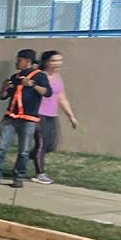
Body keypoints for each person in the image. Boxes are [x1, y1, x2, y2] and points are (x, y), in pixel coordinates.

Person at [0, 49, 50, 189]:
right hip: (10, 117)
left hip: (28, 119)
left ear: (28, 61)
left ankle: (18, 177)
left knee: (24, 151)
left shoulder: (39, 76)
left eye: (19, 59)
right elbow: (2, 97)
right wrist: (4, 88)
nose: (16, 62)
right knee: (0, 149)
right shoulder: (15, 76)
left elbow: (47, 92)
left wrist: (32, 84)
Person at [29, 49, 78, 184]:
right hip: (39, 114)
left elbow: (62, 98)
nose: (58, 63)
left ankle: (25, 156)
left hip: (52, 114)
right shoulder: (40, 76)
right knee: (42, 144)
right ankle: (40, 174)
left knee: (51, 145)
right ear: (46, 62)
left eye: (59, 60)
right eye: (54, 60)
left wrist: (71, 116)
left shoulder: (58, 78)